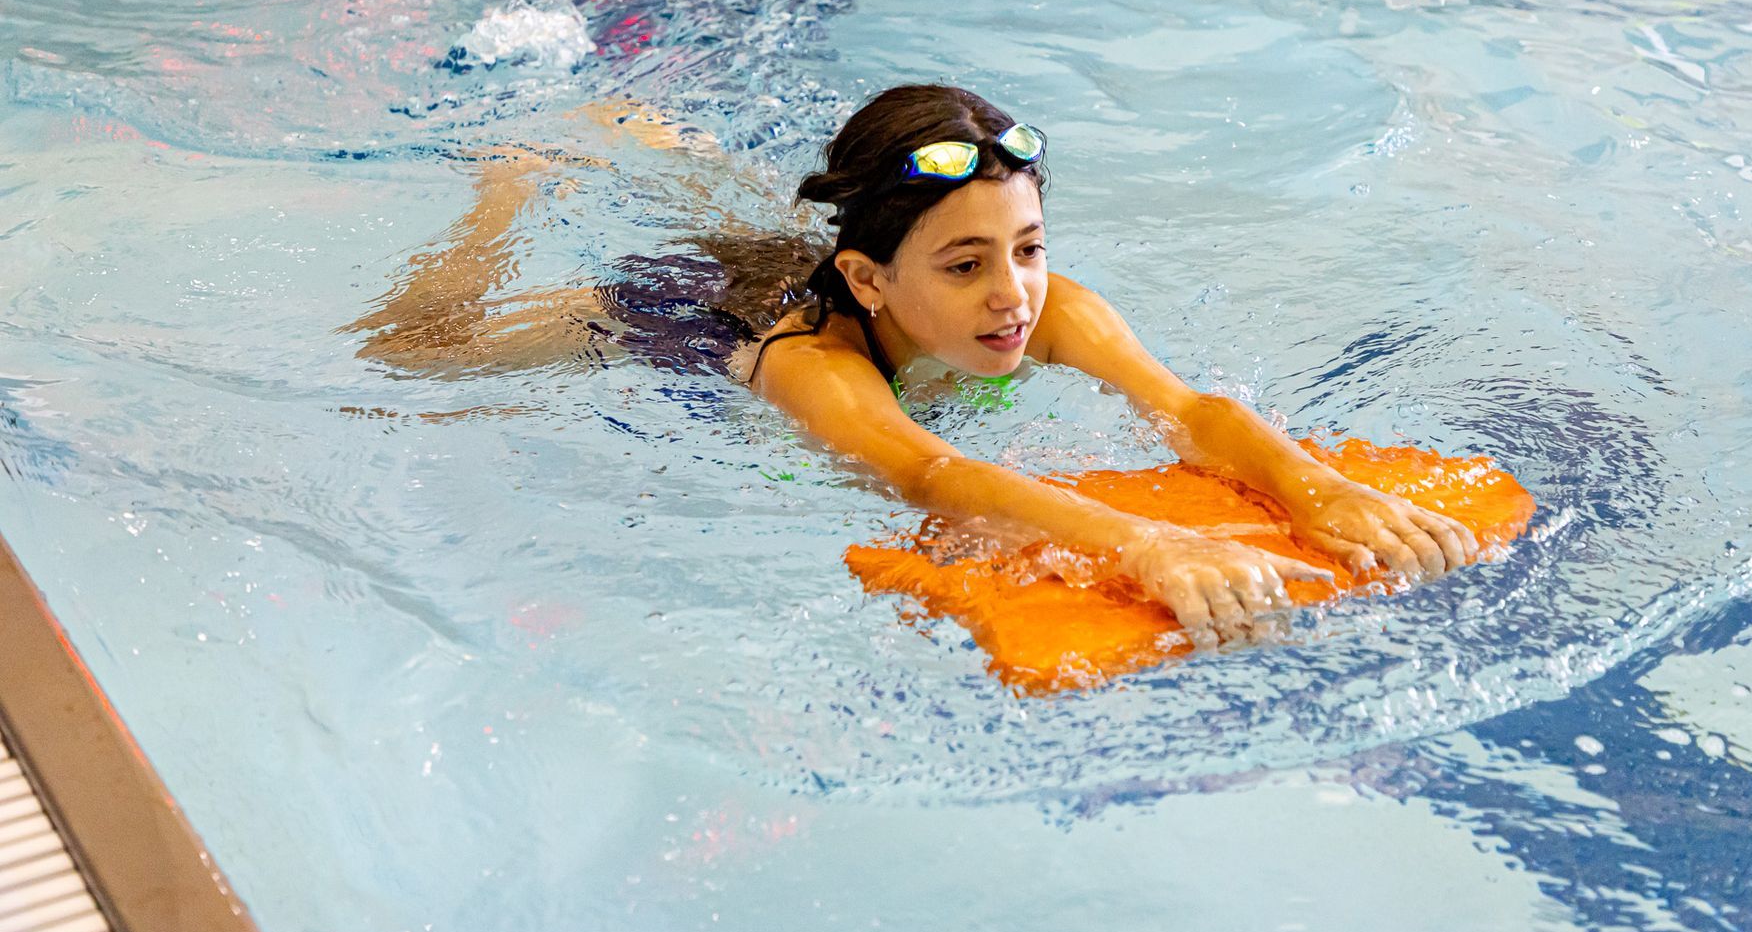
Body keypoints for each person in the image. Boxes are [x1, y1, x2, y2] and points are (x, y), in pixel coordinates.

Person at [350, 88, 1477, 648]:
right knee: (420, 351)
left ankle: (661, 142)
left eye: (1029, 248)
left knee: (765, 217)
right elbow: (933, 475)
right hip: (700, 311)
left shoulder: (1043, 305)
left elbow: (1188, 408)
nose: (1013, 293)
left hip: (833, 260)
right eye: (970, 262)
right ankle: (507, 177)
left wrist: (1317, 487)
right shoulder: (813, 366)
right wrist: (1143, 537)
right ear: (880, 282)